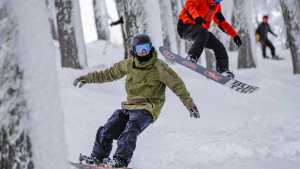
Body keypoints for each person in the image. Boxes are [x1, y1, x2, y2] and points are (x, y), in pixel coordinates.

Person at [73, 34, 200, 168]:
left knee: (131, 128)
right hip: (129, 107)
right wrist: (86, 78)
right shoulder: (128, 64)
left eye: (146, 48)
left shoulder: (159, 67)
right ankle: (97, 158)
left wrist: (189, 104)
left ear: (151, 48)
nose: (144, 52)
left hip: (148, 108)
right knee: (107, 128)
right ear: (134, 50)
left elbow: (177, 84)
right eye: (140, 49)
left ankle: (120, 160)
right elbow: (108, 74)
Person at [177, 0, 242, 79]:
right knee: (203, 31)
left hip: (201, 32)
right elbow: (190, 5)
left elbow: (222, 23)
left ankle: (223, 70)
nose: (217, 2)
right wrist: (196, 16)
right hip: (185, 27)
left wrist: (234, 35)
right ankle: (191, 57)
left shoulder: (216, 7)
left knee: (219, 47)